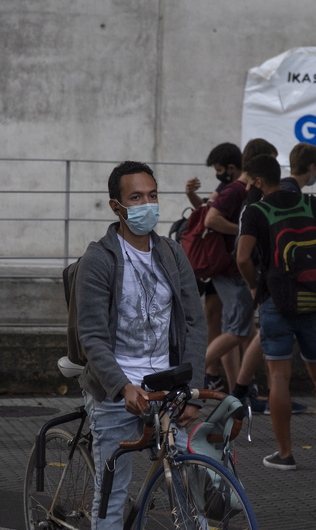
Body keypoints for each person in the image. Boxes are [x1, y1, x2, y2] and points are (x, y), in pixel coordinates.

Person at [77, 161, 206, 527]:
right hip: (118, 392)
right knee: (112, 496)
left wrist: (193, 392)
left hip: (165, 389)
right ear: (116, 206)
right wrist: (122, 386)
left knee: (189, 479)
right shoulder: (99, 259)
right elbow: (92, 335)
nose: (146, 204)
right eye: (135, 197)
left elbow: (195, 322)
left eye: (151, 195)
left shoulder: (171, 252)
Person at [237, 155, 316, 471]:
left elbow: (243, 258)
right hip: (314, 301)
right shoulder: (311, 204)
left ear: (259, 182)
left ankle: (285, 454)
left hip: (276, 301)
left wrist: (254, 287)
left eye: (251, 181)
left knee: (278, 377)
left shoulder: (257, 212)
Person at [202, 140, 278, 392]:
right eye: (271, 160)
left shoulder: (243, 189)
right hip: (232, 272)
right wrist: (247, 233)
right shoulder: (236, 190)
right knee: (237, 332)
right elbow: (211, 219)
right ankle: (193, 374)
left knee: (238, 330)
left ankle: (237, 389)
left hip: (233, 271)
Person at [185, 142, 243, 391]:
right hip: (220, 264)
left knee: (235, 328)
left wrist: (242, 233)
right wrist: (190, 195)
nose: (218, 175)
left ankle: (235, 384)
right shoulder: (229, 188)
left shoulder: (239, 189)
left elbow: (210, 216)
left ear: (231, 167)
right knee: (225, 322)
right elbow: (207, 212)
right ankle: (217, 377)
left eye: (220, 170)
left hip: (228, 264)